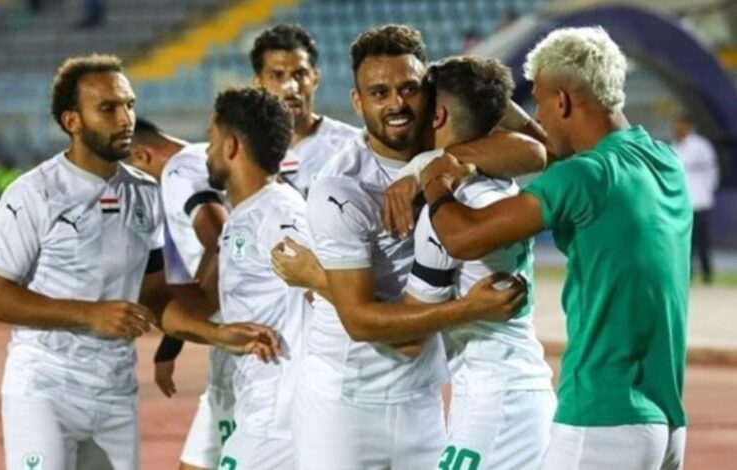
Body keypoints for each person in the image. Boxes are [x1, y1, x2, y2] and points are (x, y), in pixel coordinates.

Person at [0, 54, 275, 470]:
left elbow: (155, 298)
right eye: (108, 108)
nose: (125, 119)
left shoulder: (145, 193)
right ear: (72, 121)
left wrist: (216, 333)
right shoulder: (33, 194)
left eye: (129, 105)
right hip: (44, 388)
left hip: (115, 393)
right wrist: (90, 314)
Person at [417, 27, 691, 470]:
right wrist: (498, 106)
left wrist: (432, 177)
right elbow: (551, 151)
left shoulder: (583, 177)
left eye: (541, 102)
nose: (538, 117)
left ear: (562, 101)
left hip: (603, 416)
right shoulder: (663, 161)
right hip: (667, 421)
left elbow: (463, 236)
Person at [287, 25, 546, 470]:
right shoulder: (341, 186)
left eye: (409, 88)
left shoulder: (447, 151)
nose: (397, 104)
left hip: (424, 401)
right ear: (358, 102)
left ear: (430, 95)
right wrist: (469, 309)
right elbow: (364, 323)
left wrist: (430, 162)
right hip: (345, 402)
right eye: (379, 93)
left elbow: (539, 149)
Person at [403, 56, 555, 470]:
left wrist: (321, 282)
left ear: (437, 115)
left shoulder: (450, 208)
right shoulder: (501, 183)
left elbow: (410, 335)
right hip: (509, 390)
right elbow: (540, 147)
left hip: (495, 401)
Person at [205, 87, 312, 470]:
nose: (206, 151)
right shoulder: (249, 213)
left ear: (231, 145)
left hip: (279, 421)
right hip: (262, 411)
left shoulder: (278, 214)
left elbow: (327, 290)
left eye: (210, 139)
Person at [127, 118, 235, 470]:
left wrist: (197, 313)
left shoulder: (179, 174)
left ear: (142, 156)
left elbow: (219, 239)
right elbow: (184, 266)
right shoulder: (200, 158)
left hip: (240, 341)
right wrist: (171, 343)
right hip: (231, 339)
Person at [250, 24, 360, 196]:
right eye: (277, 75)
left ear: (315, 78)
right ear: (259, 83)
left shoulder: (351, 147)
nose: (291, 87)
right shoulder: (245, 152)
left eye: (300, 74)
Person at [672, 113, 719, 284]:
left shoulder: (701, 145)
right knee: (685, 242)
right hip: (682, 202)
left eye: (680, 125)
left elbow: (713, 171)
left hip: (700, 201)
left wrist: (707, 192)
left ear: (688, 126)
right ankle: (687, 274)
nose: (676, 128)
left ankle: (707, 275)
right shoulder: (673, 147)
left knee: (703, 241)